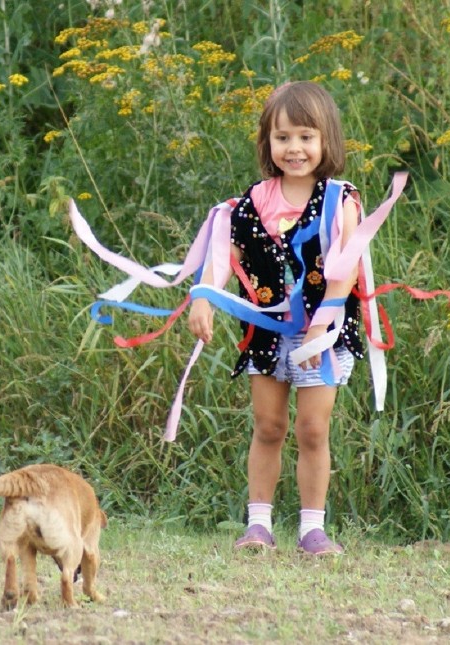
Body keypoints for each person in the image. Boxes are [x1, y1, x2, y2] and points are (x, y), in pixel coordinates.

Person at [187, 81, 363, 555]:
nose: (295, 148)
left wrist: (324, 322)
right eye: (282, 137)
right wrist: (203, 296)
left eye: (306, 136)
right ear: (268, 142)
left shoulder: (338, 199)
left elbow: (345, 268)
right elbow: (227, 254)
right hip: (265, 333)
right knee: (268, 425)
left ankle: (312, 528)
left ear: (326, 139)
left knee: (312, 428)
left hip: (320, 334)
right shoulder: (254, 201)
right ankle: (259, 525)